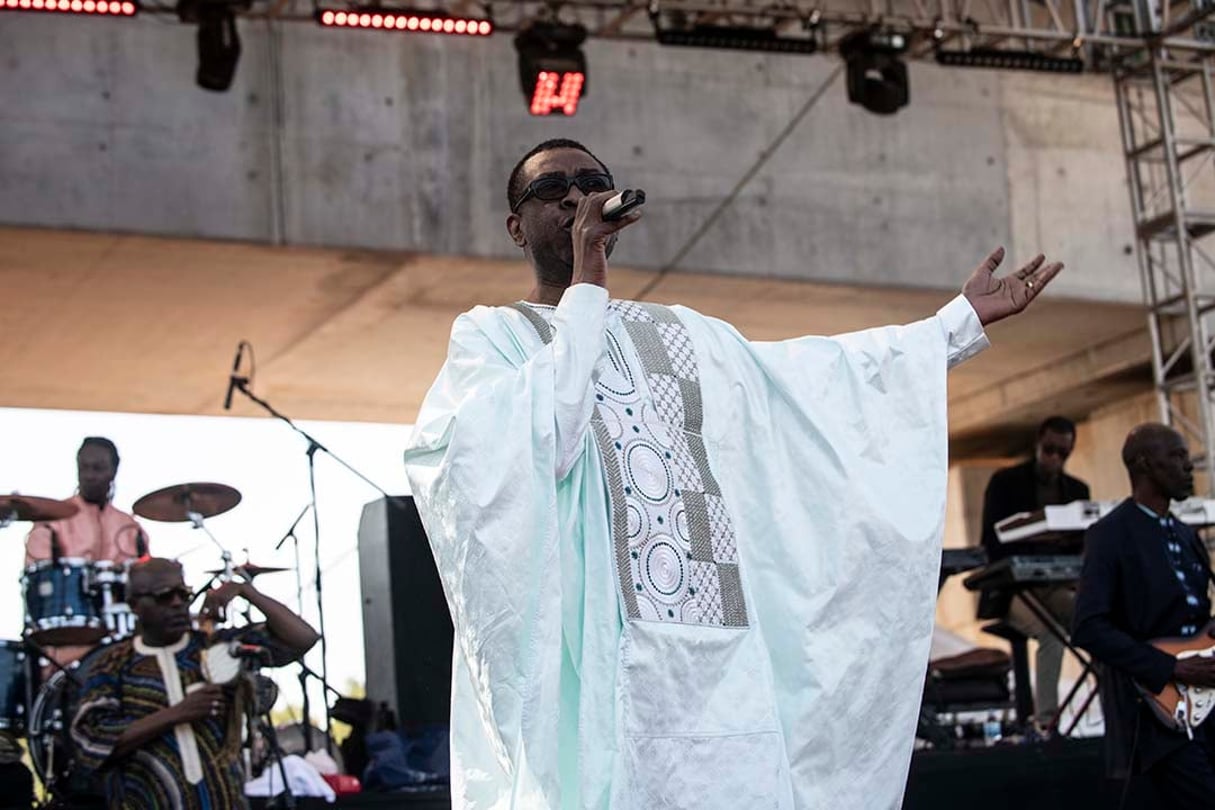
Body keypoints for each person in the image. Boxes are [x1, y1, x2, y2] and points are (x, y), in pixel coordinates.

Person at [403, 138, 1063, 809]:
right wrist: (584, 288)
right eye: (552, 188)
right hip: (600, 668)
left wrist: (954, 325)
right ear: (516, 226)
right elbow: (505, 453)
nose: (576, 195)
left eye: (591, 180)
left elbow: (810, 383)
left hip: (720, 667)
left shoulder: (681, 334)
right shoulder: (493, 338)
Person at [70, 558, 320, 809]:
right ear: (135, 605)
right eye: (164, 596)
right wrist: (177, 713)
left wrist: (246, 591)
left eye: (184, 593)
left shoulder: (215, 646)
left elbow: (302, 638)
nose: (178, 603)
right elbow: (90, 740)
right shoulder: (113, 665)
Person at [1073, 424, 1215, 807]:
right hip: (1153, 715)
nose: (1189, 466)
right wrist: (1171, 667)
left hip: (1205, 702)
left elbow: (1198, 619)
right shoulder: (1110, 535)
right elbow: (1089, 627)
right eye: (1177, 456)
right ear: (1144, 464)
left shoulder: (1187, 536)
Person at [979, 416, 1091, 728]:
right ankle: (1046, 724)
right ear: (1037, 443)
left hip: (1056, 586)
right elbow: (991, 541)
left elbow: (1083, 542)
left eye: (1062, 453)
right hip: (1012, 589)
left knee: (1096, 624)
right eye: (1049, 449)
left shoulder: (1077, 490)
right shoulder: (1005, 482)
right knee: (1050, 635)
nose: (1054, 458)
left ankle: (1120, 704)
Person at [25, 436, 149, 564]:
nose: (89, 476)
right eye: (84, 467)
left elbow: (145, 574)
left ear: (114, 471)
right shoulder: (51, 521)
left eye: (98, 468)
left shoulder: (131, 528)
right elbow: (39, 577)